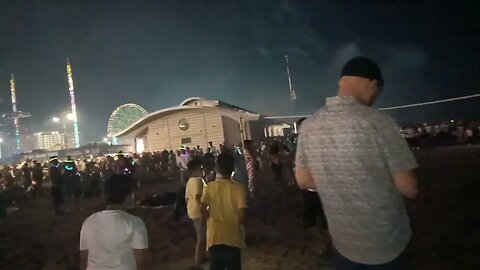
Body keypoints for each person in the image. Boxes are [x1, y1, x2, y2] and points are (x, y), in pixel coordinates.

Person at [295, 57, 418, 270]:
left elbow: (302, 179)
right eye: (377, 92)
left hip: (343, 242)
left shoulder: (309, 126)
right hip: (385, 244)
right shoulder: (380, 123)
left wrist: (337, 177)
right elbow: (410, 188)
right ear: (372, 84)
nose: (375, 98)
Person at [80, 174, 149, 270]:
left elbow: (84, 259)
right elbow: (141, 260)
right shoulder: (134, 223)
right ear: (128, 196)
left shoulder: (89, 222)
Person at [201, 153, 247, 270]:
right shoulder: (239, 188)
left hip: (214, 235)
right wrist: (237, 224)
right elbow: (242, 213)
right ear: (233, 168)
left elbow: (202, 209)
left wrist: (210, 221)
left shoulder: (210, 187)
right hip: (232, 236)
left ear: (217, 168)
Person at [185, 158, 207, 268]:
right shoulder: (198, 181)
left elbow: (187, 199)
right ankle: (197, 262)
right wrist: (205, 211)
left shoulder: (189, 181)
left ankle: (202, 257)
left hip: (192, 212)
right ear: (194, 170)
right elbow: (199, 198)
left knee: (202, 236)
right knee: (202, 238)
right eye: (200, 167)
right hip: (199, 212)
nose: (202, 169)